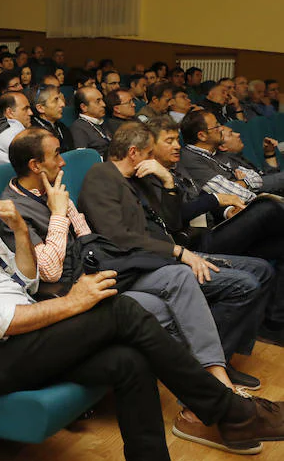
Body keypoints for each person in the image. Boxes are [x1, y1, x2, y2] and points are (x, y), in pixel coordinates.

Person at [0, 151, 284, 461]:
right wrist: (74, 303)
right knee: (120, 309)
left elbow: (27, 281)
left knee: (129, 362)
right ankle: (230, 412)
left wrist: (21, 230)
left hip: (24, 336)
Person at [0, 130, 250, 428]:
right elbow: (48, 271)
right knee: (164, 310)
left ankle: (217, 382)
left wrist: (71, 221)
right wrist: (58, 213)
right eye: (55, 155)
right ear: (35, 165)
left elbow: (86, 234)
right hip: (70, 293)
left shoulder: (52, 187)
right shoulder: (13, 211)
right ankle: (209, 399)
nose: (63, 162)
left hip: (98, 271)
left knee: (179, 278)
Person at [78, 122, 272, 380]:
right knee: (244, 284)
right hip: (147, 263)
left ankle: (224, 353)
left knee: (263, 270)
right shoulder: (101, 177)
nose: (153, 159)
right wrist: (179, 253)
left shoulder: (142, 177)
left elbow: (172, 222)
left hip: (169, 253)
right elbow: (119, 237)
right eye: (149, 153)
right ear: (133, 152)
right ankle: (210, 369)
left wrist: (168, 180)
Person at [69, 86, 111, 158]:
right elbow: (83, 158)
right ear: (84, 107)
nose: (103, 104)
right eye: (98, 101)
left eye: (102, 100)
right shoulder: (78, 128)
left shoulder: (102, 122)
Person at [29, 84, 71, 152]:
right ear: (40, 108)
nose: (63, 104)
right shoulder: (34, 134)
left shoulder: (62, 127)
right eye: (56, 100)